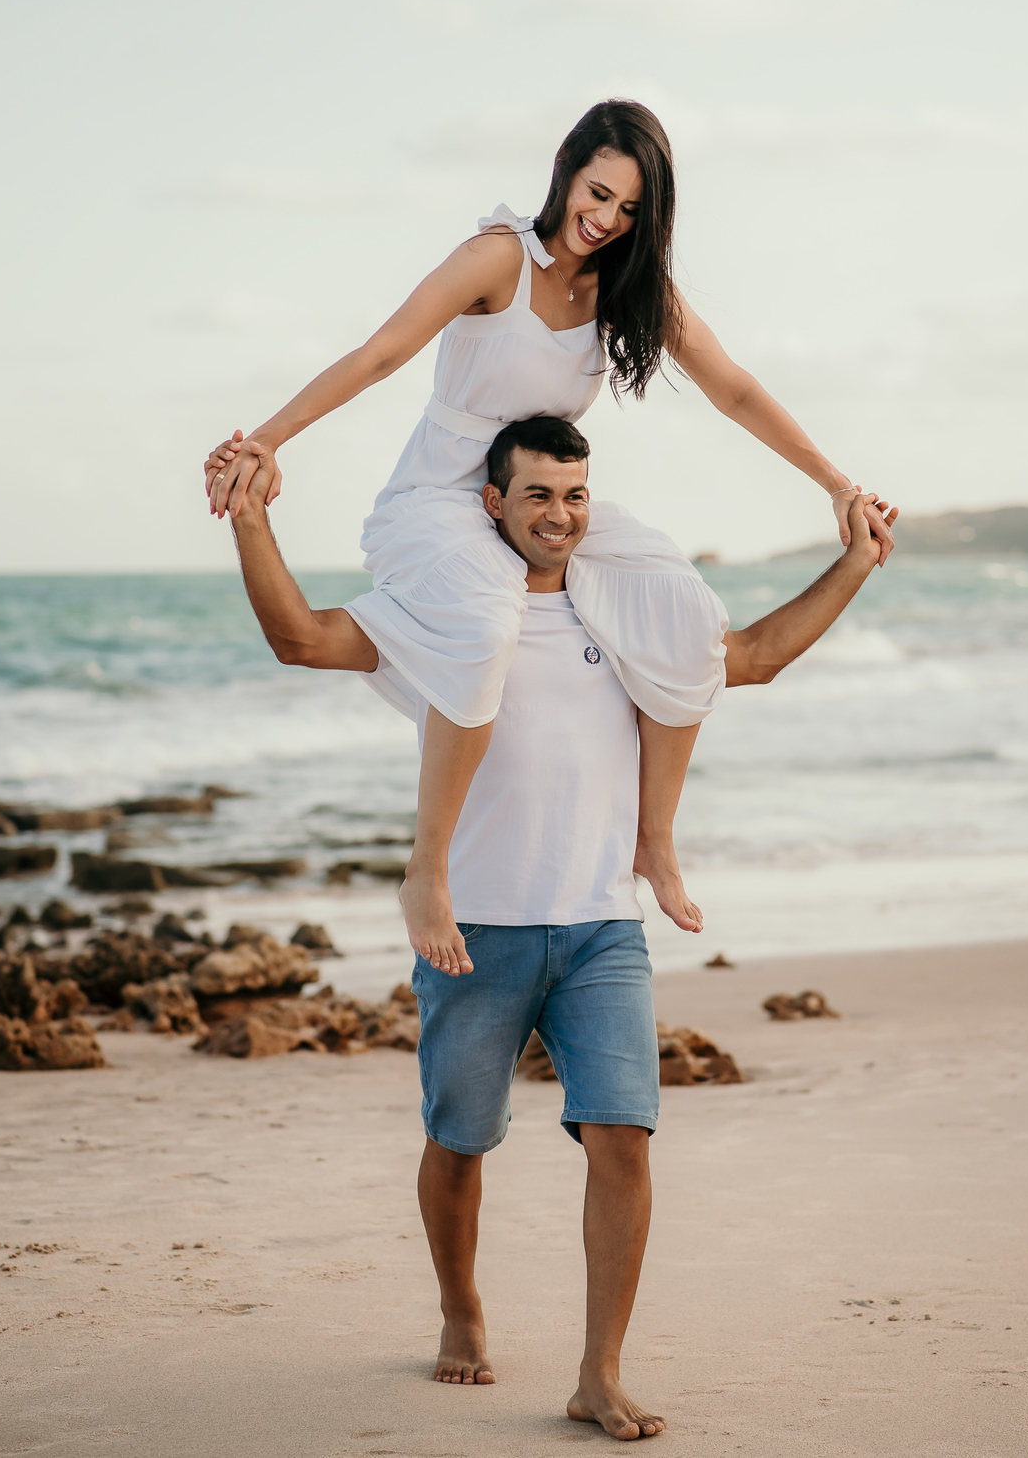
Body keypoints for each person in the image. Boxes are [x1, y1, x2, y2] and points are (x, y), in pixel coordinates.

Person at [220, 413, 898, 1442]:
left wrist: (855, 561)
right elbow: (301, 639)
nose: (559, 514)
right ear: (493, 500)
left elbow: (752, 657)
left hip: (599, 929)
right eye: (537, 494)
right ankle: (460, 1309)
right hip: (475, 933)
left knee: (624, 1137)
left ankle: (598, 1372)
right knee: (459, 1141)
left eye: (575, 495)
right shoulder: (447, 610)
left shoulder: (623, 607)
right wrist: (251, 520)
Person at [203, 98, 895, 984]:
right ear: (566, 170)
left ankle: (653, 842)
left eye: (630, 209)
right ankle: (428, 872)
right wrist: (268, 439)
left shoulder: (629, 288)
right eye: (598, 193)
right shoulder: (498, 258)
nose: (606, 219)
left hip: (544, 501)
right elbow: (381, 353)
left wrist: (837, 485)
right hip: (444, 498)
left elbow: (734, 388)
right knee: (485, 622)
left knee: (684, 608)